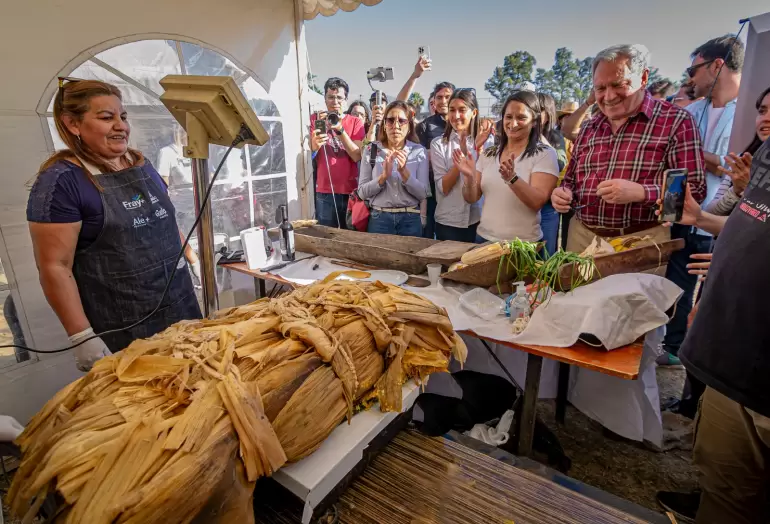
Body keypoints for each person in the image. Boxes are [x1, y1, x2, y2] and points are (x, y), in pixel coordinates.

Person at [26, 79, 202, 371]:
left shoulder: (141, 165)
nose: (121, 126)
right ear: (72, 124)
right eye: (106, 118)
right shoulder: (62, 183)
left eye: (123, 117)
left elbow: (163, 217)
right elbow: (54, 266)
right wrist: (81, 336)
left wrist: (191, 256)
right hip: (125, 325)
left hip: (180, 304)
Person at [657, 137, 770, 524]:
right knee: (724, 495)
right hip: (730, 362)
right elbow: (757, 217)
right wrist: (706, 227)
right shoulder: (767, 150)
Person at [551, 44, 706, 255]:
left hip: (641, 242)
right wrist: (563, 193)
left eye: (618, 85)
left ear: (643, 79)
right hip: (582, 237)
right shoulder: (589, 126)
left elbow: (693, 191)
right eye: (600, 88)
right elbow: (571, 179)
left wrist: (641, 193)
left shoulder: (676, 121)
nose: (609, 96)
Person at [660, 35, 744, 371]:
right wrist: (669, 211)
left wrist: (696, 156)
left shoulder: (750, 110)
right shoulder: (691, 111)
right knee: (678, 286)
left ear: (717, 65)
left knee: (713, 295)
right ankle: (673, 347)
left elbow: (737, 166)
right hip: (684, 217)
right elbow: (674, 168)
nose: (691, 78)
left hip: (727, 223)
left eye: (695, 69)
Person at [458, 91, 559, 244]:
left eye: (521, 118)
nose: (513, 124)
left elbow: (537, 201)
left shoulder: (544, 154)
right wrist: (469, 177)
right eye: (509, 117)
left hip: (522, 246)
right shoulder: (489, 153)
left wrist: (512, 179)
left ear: (534, 122)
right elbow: (471, 198)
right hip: (484, 240)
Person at [357, 101, 429, 237]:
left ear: (409, 126)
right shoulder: (371, 150)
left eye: (401, 121)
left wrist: (405, 174)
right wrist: (382, 177)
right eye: (390, 120)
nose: (395, 125)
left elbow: (423, 193)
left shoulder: (419, 151)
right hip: (379, 218)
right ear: (384, 125)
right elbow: (361, 193)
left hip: (410, 218)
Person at [310, 77, 365, 228]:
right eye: (331, 97)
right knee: (328, 239)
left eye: (339, 98)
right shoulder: (316, 119)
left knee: (351, 239)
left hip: (351, 191)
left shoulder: (355, 122)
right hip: (324, 191)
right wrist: (316, 139)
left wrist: (339, 129)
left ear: (346, 100)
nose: (335, 102)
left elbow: (356, 155)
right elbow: (311, 152)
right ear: (325, 99)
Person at [707, 86, 770, 215]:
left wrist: (749, 188)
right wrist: (735, 191)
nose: (765, 119)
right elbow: (711, 212)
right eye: (762, 111)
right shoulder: (743, 160)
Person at [429, 89, 482, 242]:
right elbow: (443, 187)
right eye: (452, 110)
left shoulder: (487, 142)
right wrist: (461, 160)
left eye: (462, 110)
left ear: (474, 112)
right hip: (448, 222)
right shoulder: (439, 144)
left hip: (480, 221)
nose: (456, 115)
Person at [538, 93, 567, 255]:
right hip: (524, 207)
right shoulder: (521, 138)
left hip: (547, 208)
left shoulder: (555, 137)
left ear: (548, 114)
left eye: (539, 110)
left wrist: (541, 139)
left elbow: (560, 163)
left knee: (545, 255)